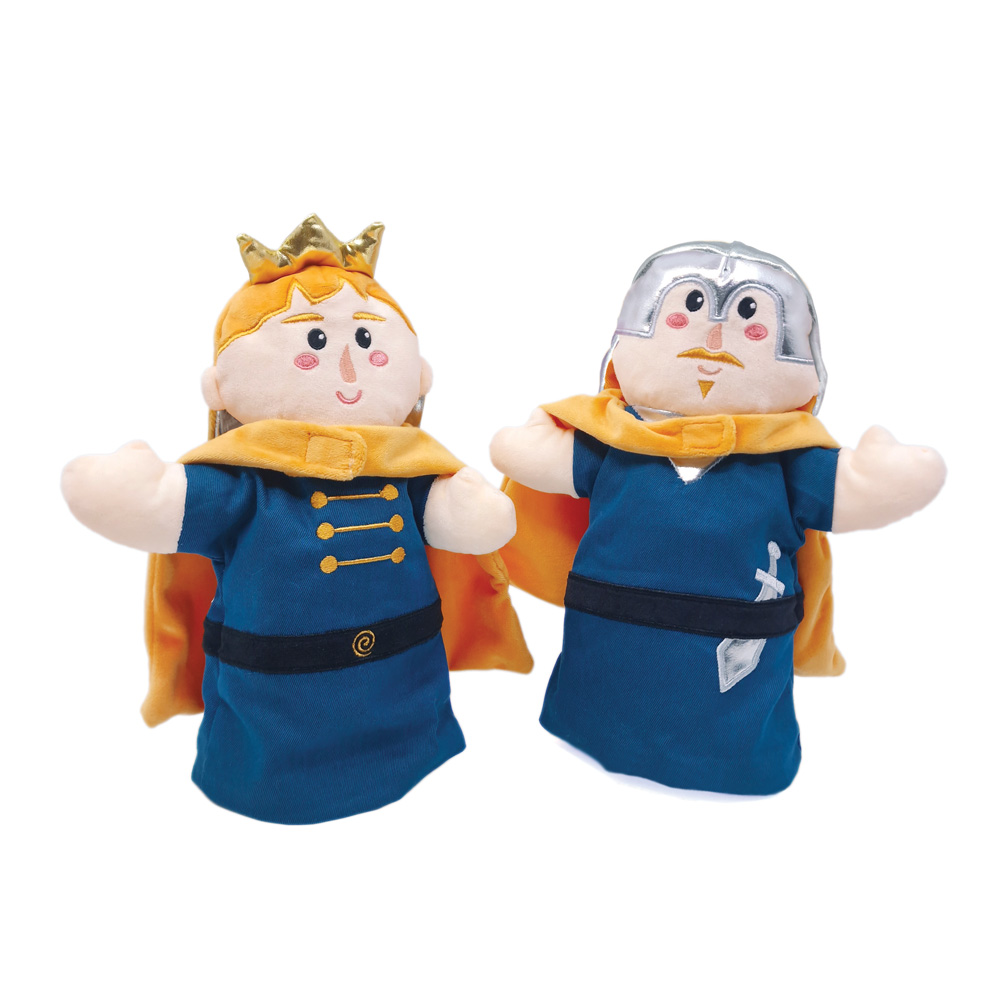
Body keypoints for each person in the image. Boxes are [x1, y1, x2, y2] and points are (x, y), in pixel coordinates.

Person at [62, 214, 530, 823]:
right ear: (221, 387)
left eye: (366, 341)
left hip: (406, 686)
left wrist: (469, 509)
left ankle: (412, 749)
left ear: (417, 376)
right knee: (281, 755)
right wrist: (134, 490)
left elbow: (462, 520)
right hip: (283, 712)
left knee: (414, 724)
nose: (348, 369)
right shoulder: (246, 483)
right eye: (315, 342)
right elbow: (165, 506)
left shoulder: (409, 471)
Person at [491, 241, 944, 795]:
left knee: (726, 728)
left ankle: (729, 765)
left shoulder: (787, 459)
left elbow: (857, 491)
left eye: (749, 321)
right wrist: (529, 438)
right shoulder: (615, 440)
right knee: (600, 692)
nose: (713, 342)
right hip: (609, 640)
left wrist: (888, 475)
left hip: (729, 658)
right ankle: (591, 729)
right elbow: (533, 458)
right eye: (688, 311)